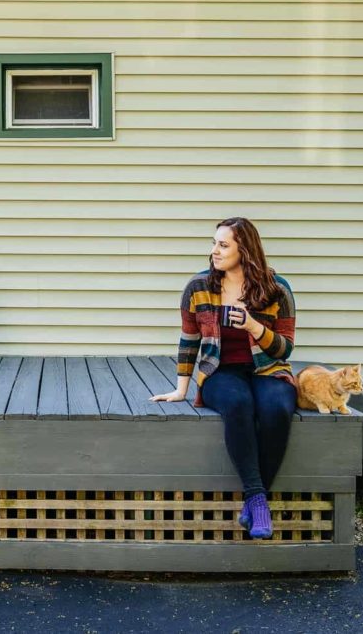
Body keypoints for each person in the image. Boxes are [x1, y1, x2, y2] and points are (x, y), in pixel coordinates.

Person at [150, 217, 297, 540]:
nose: (214, 251)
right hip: (219, 371)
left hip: (268, 370)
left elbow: (284, 349)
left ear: (244, 249)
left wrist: (253, 326)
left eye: (223, 244)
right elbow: (189, 340)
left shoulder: (278, 289)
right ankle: (259, 500)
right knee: (239, 403)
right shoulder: (199, 287)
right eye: (214, 243)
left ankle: (253, 500)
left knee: (277, 409)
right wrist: (181, 389)